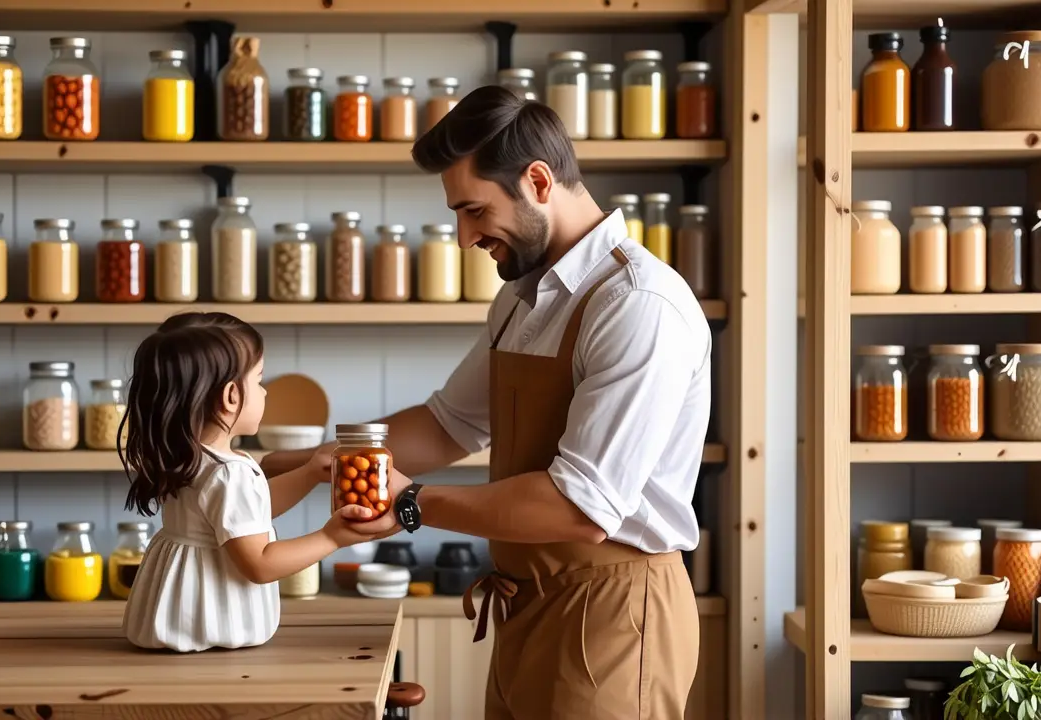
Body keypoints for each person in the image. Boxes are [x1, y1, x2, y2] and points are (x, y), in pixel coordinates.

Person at [261, 85, 713, 719]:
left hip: (615, 615)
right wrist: (308, 464)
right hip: (524, 603)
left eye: (474, 211)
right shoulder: (522, 298)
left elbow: (581, 506)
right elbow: (447, 425)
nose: (463, 237)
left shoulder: (637, 304)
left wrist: (412, 504)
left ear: (538, 182)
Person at [119, 311, 383, 652]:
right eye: (258, 380)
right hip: (214, 625)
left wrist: (306, 475)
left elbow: (244, 516)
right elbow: (260, 564)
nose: (265, 392)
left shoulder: (186, 457)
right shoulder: (229, 472)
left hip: (176, 615)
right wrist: (331, 538)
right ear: (230, 396)